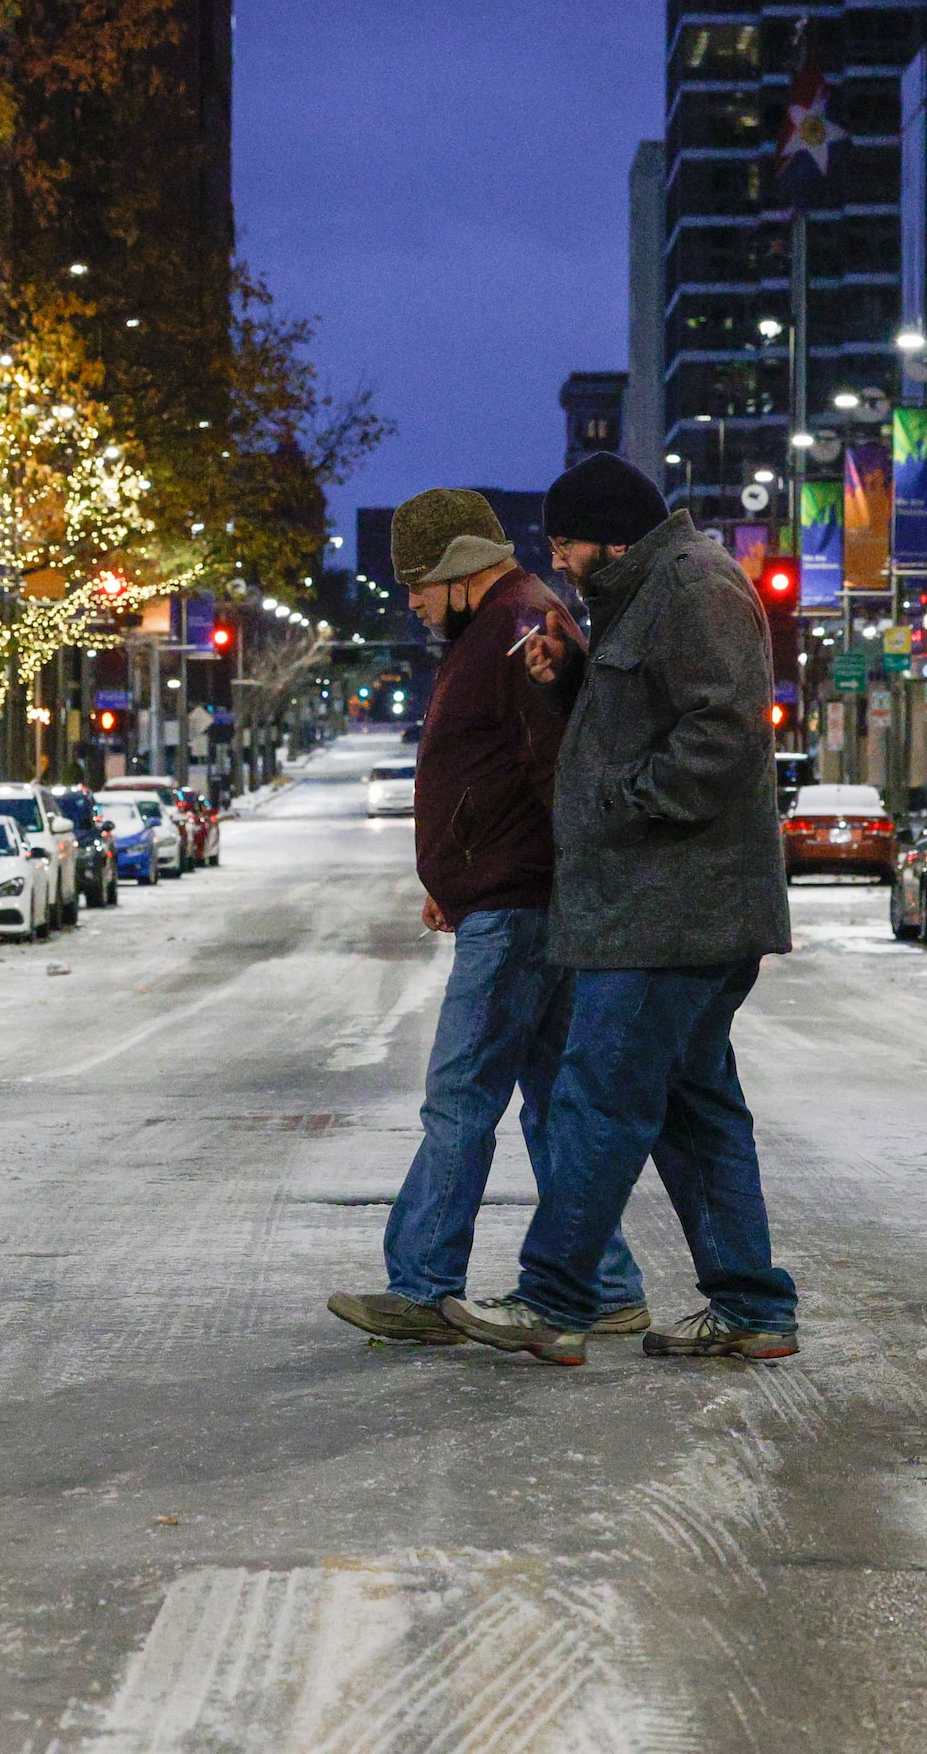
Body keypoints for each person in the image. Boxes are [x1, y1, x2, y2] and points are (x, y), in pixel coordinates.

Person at [440, 452, 798, 1367]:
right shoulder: (648, 593)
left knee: (597, 1097)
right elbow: (654, 708)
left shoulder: (695, 589)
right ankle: (753, 1306)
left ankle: (556, 1301)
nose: (558, 562)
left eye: (565, 545)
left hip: (672, 906)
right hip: (666, 904)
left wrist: (617, 799)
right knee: (693, 1105)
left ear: (612, 534)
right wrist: (571, 678)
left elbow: (722, 733)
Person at [327, 487, 648, 1346]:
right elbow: (502, 778)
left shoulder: (519, 630)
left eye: (419, 584)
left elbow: (557, 772)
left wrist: (510, 879)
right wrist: (463, 878)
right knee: (549, 1103)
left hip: (520, 907)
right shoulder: (508, 623)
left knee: (461, 1096)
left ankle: (427, 1285)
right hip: (516, 895)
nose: (412, 602)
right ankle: (606, 1283)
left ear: (460, 570)